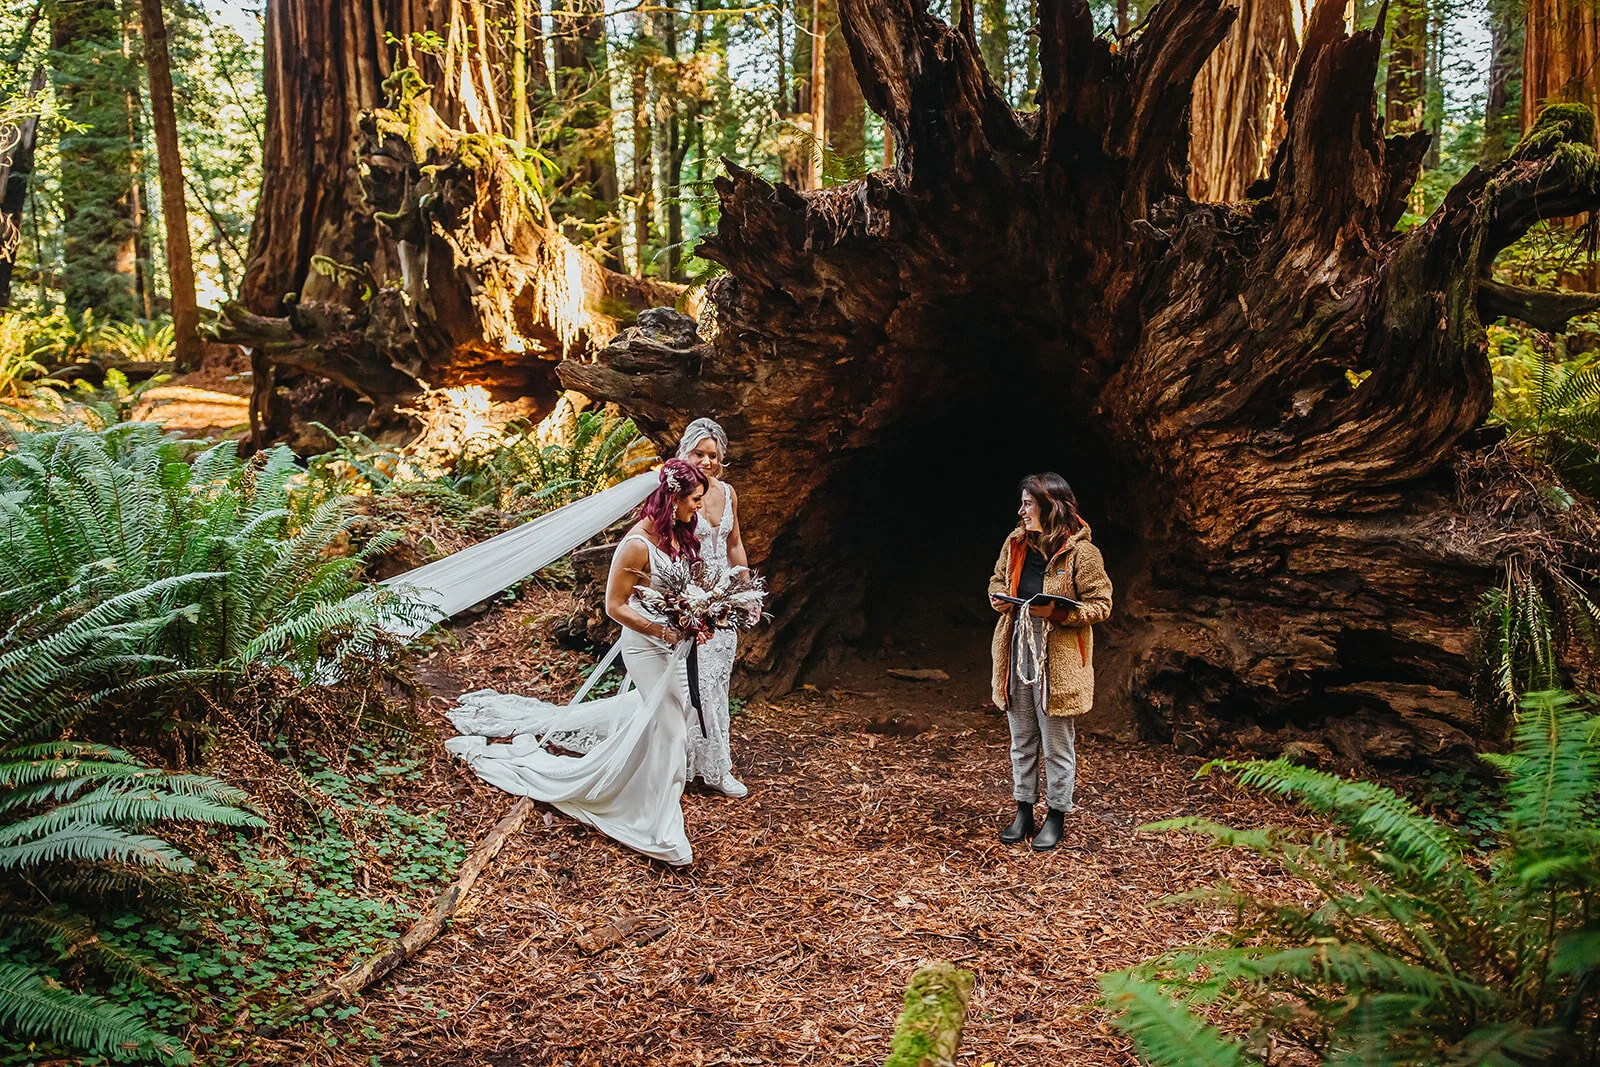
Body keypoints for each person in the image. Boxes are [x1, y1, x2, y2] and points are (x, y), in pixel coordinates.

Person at [444, 459, 712, 866]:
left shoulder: (675, 537)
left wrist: (699, 615)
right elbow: (614, 606)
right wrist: (663, 630)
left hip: (675, 644)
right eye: (694, 500)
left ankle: (635, 792)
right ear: (672, 497)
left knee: (675, 720)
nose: (698, 508)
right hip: (646, 646)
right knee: (673, 728)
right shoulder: (636, 544)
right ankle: (657, 824)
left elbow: (681, 591)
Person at [987, 472, 1113, 851]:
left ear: (1049, 506)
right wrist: (998, 596)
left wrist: (1060, 614)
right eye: (1022, 503)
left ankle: (1056, 815)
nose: (1021, 510)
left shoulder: (1082, 554)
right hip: (1017, 650)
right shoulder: (1016, 544)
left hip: (1057, 659)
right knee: (1022, 738)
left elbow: (1102, 604)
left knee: (1057, 743)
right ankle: (1023, 809)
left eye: (1027, 503)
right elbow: (996, 580)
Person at [676, 417, 750, 797]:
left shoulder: (728, 491)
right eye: (699, 453)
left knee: (718, 682)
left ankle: (711, 761)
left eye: (714, 455)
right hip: (690, 596)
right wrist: (679, 597)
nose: (706, 461)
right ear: (686, 452)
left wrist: (745, 589)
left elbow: (733, 543)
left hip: (724, 600)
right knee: (695, 683)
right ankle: (694, 765)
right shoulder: (676, 492)